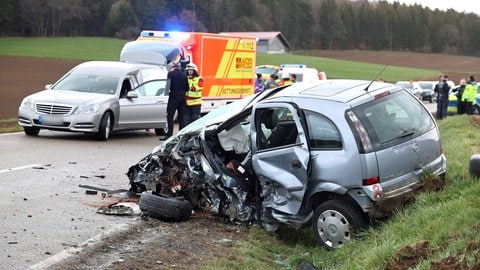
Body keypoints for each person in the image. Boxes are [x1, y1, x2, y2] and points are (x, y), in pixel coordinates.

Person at [160, 62, 189, 140]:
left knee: (170, 115)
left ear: (173, 67)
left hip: (173, 97)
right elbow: (187, 88)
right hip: (182, 98)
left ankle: (169, 134)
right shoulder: (184, 75)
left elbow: (168, 86)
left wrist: (165, 93)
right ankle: (181, 135)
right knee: (181, 116)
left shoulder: (170, 74)